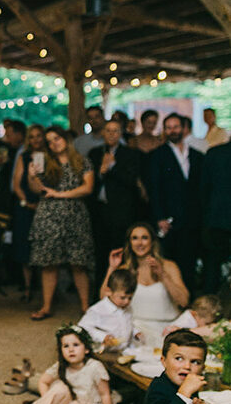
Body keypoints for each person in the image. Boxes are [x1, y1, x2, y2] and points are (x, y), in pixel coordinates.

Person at [27, 126, 95, 319]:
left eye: (56, 138)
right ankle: (46, 307)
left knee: (78, 263)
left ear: (65, 138)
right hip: (49, 217)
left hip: (75, 216)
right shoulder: (45, 162)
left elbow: (88, 188)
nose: (53, 143)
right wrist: (31, 176)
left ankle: (85, 307)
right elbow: (35, 190)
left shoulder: (82, 161)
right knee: (49, 264)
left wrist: (60, 194)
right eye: (49, 141)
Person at [100, 223, 189, 348]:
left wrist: (163, 275)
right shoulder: (125, 269)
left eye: (144, 238)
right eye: (135, 238)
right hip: (137, 329)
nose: (139, 243)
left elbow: (184, 301)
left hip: (167, 329)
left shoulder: (169, 266)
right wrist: (112, 268)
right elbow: (105, 300)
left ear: (152, 242)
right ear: (130, 243)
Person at [19, 325, 117, 404]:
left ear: (86, 349)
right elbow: (43, 381)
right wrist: (47, 399)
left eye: (76, 345)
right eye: (66, 346)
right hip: (69, 397)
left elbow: (105, 394)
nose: (71, 349)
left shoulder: (95, 367)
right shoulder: (62, 365)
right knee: (59, 388)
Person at [148, 113, 204, 293]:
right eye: (169, 127)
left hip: (192, 219)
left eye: (176, 127)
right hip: (169, 219)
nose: (173, 131)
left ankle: (189, 298)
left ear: (184, 128)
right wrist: (159, 217)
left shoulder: (196, 155)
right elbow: (154, 189)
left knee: (190, 260)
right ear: (164, 130)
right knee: (171, 261)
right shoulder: (157, 156)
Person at [88, 119, 141, 284]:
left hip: (121, 212)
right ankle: (99, 293)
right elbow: (90, 182)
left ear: (120, 134)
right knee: (100, 253)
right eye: (108, 131)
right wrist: (101, 172)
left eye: (115, 131)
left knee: (120, 253)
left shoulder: (130, 153)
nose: (111, 134)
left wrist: (112, 168)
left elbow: (131, 181)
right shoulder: (94, 153)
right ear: (103, 133)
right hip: (100, 210)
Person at [11, 124, 44, 301]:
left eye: (38, 136)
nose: (35, 140)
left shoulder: (50, 157)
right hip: (25, 206)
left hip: (46, 205)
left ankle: (45, 288)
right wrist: (26, 202)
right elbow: (16, 183)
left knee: (43, 247)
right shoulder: (23, 157)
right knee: (25, 248)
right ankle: (28, 287)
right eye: (32, 137)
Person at [78, 268, 138, 352]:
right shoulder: (98, 310)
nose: (127, 301)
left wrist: (136, 333)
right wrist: (103, 337)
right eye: (122, 297)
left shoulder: (127, 307)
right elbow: (83, 327)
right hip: (103, 351)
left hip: (123, 350)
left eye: (130, 298)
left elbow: (129, 323)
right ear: (108, 292)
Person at [201, 139, 231, 294]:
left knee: (212, 269)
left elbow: (203, 188)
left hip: (216, 219)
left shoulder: (214, 153)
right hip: (218, 219)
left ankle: (209, 309)